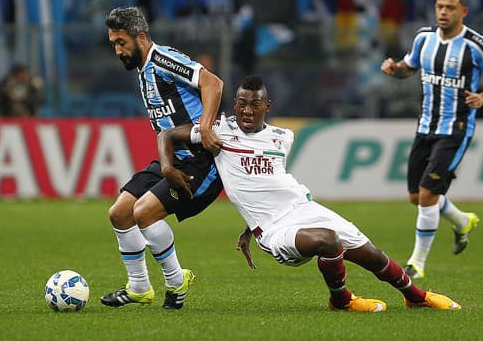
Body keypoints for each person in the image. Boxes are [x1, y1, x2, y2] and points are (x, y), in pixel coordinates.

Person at [158, 75, 461, 312]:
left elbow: (267, 185)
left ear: (268, 106)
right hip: (275, 231)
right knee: (328, 241)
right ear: (235, 103)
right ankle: (341, 300)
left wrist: (245, 226)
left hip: (305, 207)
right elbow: (167, 134)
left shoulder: (282, 137)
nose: (246, 110)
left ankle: (416, 297)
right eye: (241, 103)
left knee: (371, 253)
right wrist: (168, 168)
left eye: (254, 104)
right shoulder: (218, 130)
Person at [101, 6, 224, 310]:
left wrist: (206, 127)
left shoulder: (163, 59)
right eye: (113, 44)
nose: (117, 51)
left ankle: (175, 281)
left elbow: (213, 83)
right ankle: (140, 287)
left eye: (121, 43)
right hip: (172, 157)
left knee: (143, 213)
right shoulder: (144, 70)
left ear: (140, 37)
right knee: (119, 213)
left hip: (199, 161)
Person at [381, 0, 483, 279]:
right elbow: (408, 68)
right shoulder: (424, 38)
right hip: (425, 126)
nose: (443, 12)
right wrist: (394, 68)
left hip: (456, 130)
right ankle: (462, 221)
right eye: (439, 6)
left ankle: (417, 264)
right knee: (417, 196)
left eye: (450, 8)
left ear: (464, 11)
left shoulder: (478, 45)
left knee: (427, 194)